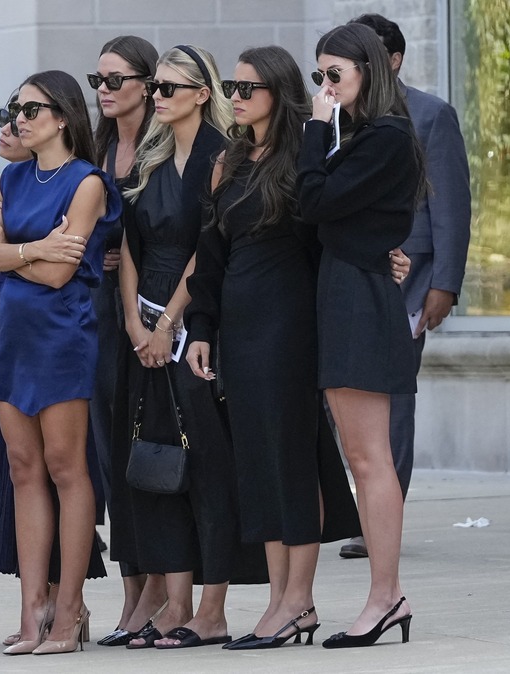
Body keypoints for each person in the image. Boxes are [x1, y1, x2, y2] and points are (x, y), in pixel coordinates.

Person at [184, 45, 362, 650]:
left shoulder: (304, 156)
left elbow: (333, 234)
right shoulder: (228, 161)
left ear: (277, 94)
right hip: (238, 322)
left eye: (247, 89)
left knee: (291, 458)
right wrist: (201, 328)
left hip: (290, 324)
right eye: (232, 88)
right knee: (256, 463)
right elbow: (210, 256)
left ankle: (299, 601)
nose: (235, 98)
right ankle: (278, 600)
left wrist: (385, 257)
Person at [117, 45, 264, 651]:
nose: (158, 96)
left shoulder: (221, 158)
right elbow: (127, 246)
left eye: (171, 88)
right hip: (142, 319)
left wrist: (169, 322)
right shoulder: (150, 156)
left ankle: (212, 608)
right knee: (156, 464)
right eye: (155, 87)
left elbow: (209, 246)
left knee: (204, 465)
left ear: (203, 94)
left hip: (195, 320)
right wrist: (132, 320)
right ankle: (174, 603)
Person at [0, 70, 121, 655]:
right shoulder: (7, 180)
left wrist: (13, 257)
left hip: (61, 337)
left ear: (62, 117)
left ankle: (68, 613)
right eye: (16, 108)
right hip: (14, 336)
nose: (20, 118)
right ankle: (31, 610)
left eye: (32, 109)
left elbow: (64, 274)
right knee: (22, 469)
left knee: (66, 469)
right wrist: (32, 250)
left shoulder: (87, 183)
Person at [296, 23, 427, 648]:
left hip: (359, 297)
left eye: (335, 74)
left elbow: (314, 201)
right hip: (347, 288)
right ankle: (386, 595)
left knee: (370, 459)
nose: (325, 86)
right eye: (318, 76)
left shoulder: (385, 136)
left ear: (367, 71)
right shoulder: (367, 136)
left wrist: (316, 128)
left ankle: (386, 596)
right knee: (361, 458)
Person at [338, 13, 472, 559]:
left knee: (390, 397)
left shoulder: (431, 115)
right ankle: (361, 503)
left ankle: (378, 520)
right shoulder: (336, 116)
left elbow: (451, 205)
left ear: (392, 61)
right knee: (343, 397)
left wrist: (445, 282)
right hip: (344, 274)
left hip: (408, 280)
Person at [86, 34, 168, 647]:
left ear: (146, 82)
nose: (106, 91)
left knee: (150, 447)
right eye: (98, 82)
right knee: (110, 452)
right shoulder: (95, 147)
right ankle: (132, 588)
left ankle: (162, 587)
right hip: (91, 312)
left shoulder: (164, 147)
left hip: (148, 315)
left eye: (116, 80)